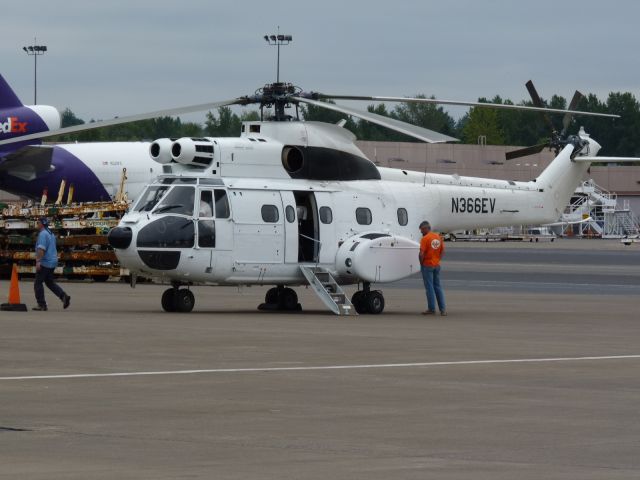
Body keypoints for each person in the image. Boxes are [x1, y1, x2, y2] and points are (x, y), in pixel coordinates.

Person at [33, 218, 71, 311]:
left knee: (38, 283)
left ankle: (41, 304)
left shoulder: (42, 234)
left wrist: (38, 261)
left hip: (45, 262)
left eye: (38, 222)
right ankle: (63, 296)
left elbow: (41, 249)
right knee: (49, 282)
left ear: (41, 224)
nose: (37, 224)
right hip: (52, 261)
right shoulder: (50, 233)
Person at [418, 220, 446, 316]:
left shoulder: (425, 239)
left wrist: (421, 264)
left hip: (427, 265)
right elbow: (443, 251)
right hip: (436, 265)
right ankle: (443, 309)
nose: (421, 232)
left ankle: (431, 308)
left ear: (426, 228)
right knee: (438, 287)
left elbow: (421, 254)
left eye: (421, 230)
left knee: (429, 287)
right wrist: (438, 260)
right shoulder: (438, 237)